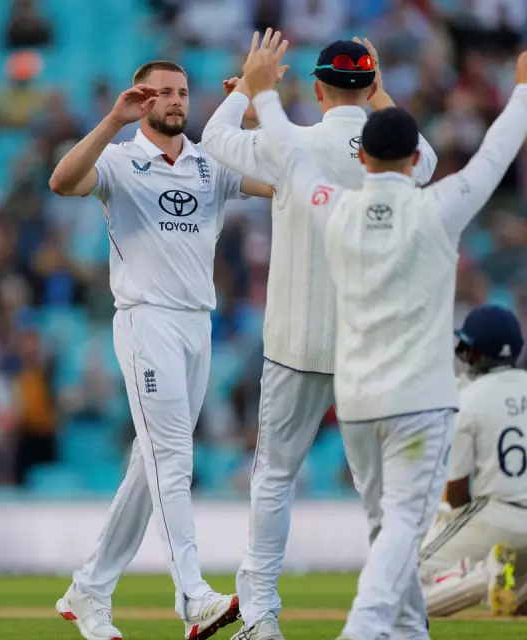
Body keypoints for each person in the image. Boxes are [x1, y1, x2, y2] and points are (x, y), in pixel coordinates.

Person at [235, 29, 527, 640]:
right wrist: (522, 93)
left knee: (371, 514)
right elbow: (495, 153)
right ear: (415, 159)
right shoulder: (438, 204)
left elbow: (288, 155)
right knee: (396, 522)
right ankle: (369, 629)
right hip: (416, 397)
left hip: (358, 393)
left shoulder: (331, 205)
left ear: (362, 160)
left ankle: (403, 630)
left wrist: (262, 94)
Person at [201, 35, 437, 640]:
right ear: (369, 87)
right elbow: (427, 158)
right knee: (382, 497)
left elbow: (214, 142)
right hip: (371, 350)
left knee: (274, 479)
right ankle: (402, 624)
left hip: (296, 343)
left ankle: (259, 618)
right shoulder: (401, 155)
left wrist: (248, 92)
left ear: (315, 88)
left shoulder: (293, 144)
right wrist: (379, 88)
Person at [48, 60, 272, 640]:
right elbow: (62, 182)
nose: (176, 101)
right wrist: (110, 122)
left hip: (199, 325)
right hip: (146, 322)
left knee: (150, 469)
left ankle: (88, 590)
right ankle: (193, 596)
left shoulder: (210, 162)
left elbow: (281, 179)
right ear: (142, 100)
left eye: (183, 93)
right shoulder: (121, 161)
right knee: (172, 459)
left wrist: (248, 115)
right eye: (164, 93)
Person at [419, 304, 527, 618]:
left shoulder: (468, 398)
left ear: (475, 352)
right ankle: (497, 576)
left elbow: (456, 493)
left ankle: (484, 574)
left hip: (497, 515)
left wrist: (451, 532)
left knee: (396, 585)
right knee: (515, 598)